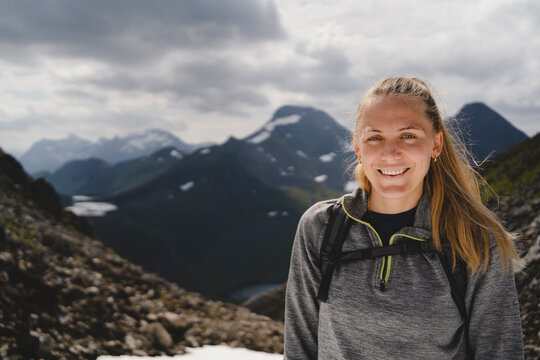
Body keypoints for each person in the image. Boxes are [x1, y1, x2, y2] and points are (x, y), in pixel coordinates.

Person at [284, 77, 524, 359]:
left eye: (408, 135)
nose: (391, 153)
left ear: (436, 145)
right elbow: (299, 350)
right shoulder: (321, 227)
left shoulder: (475, 239)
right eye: (375, 138)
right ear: (358, 148)